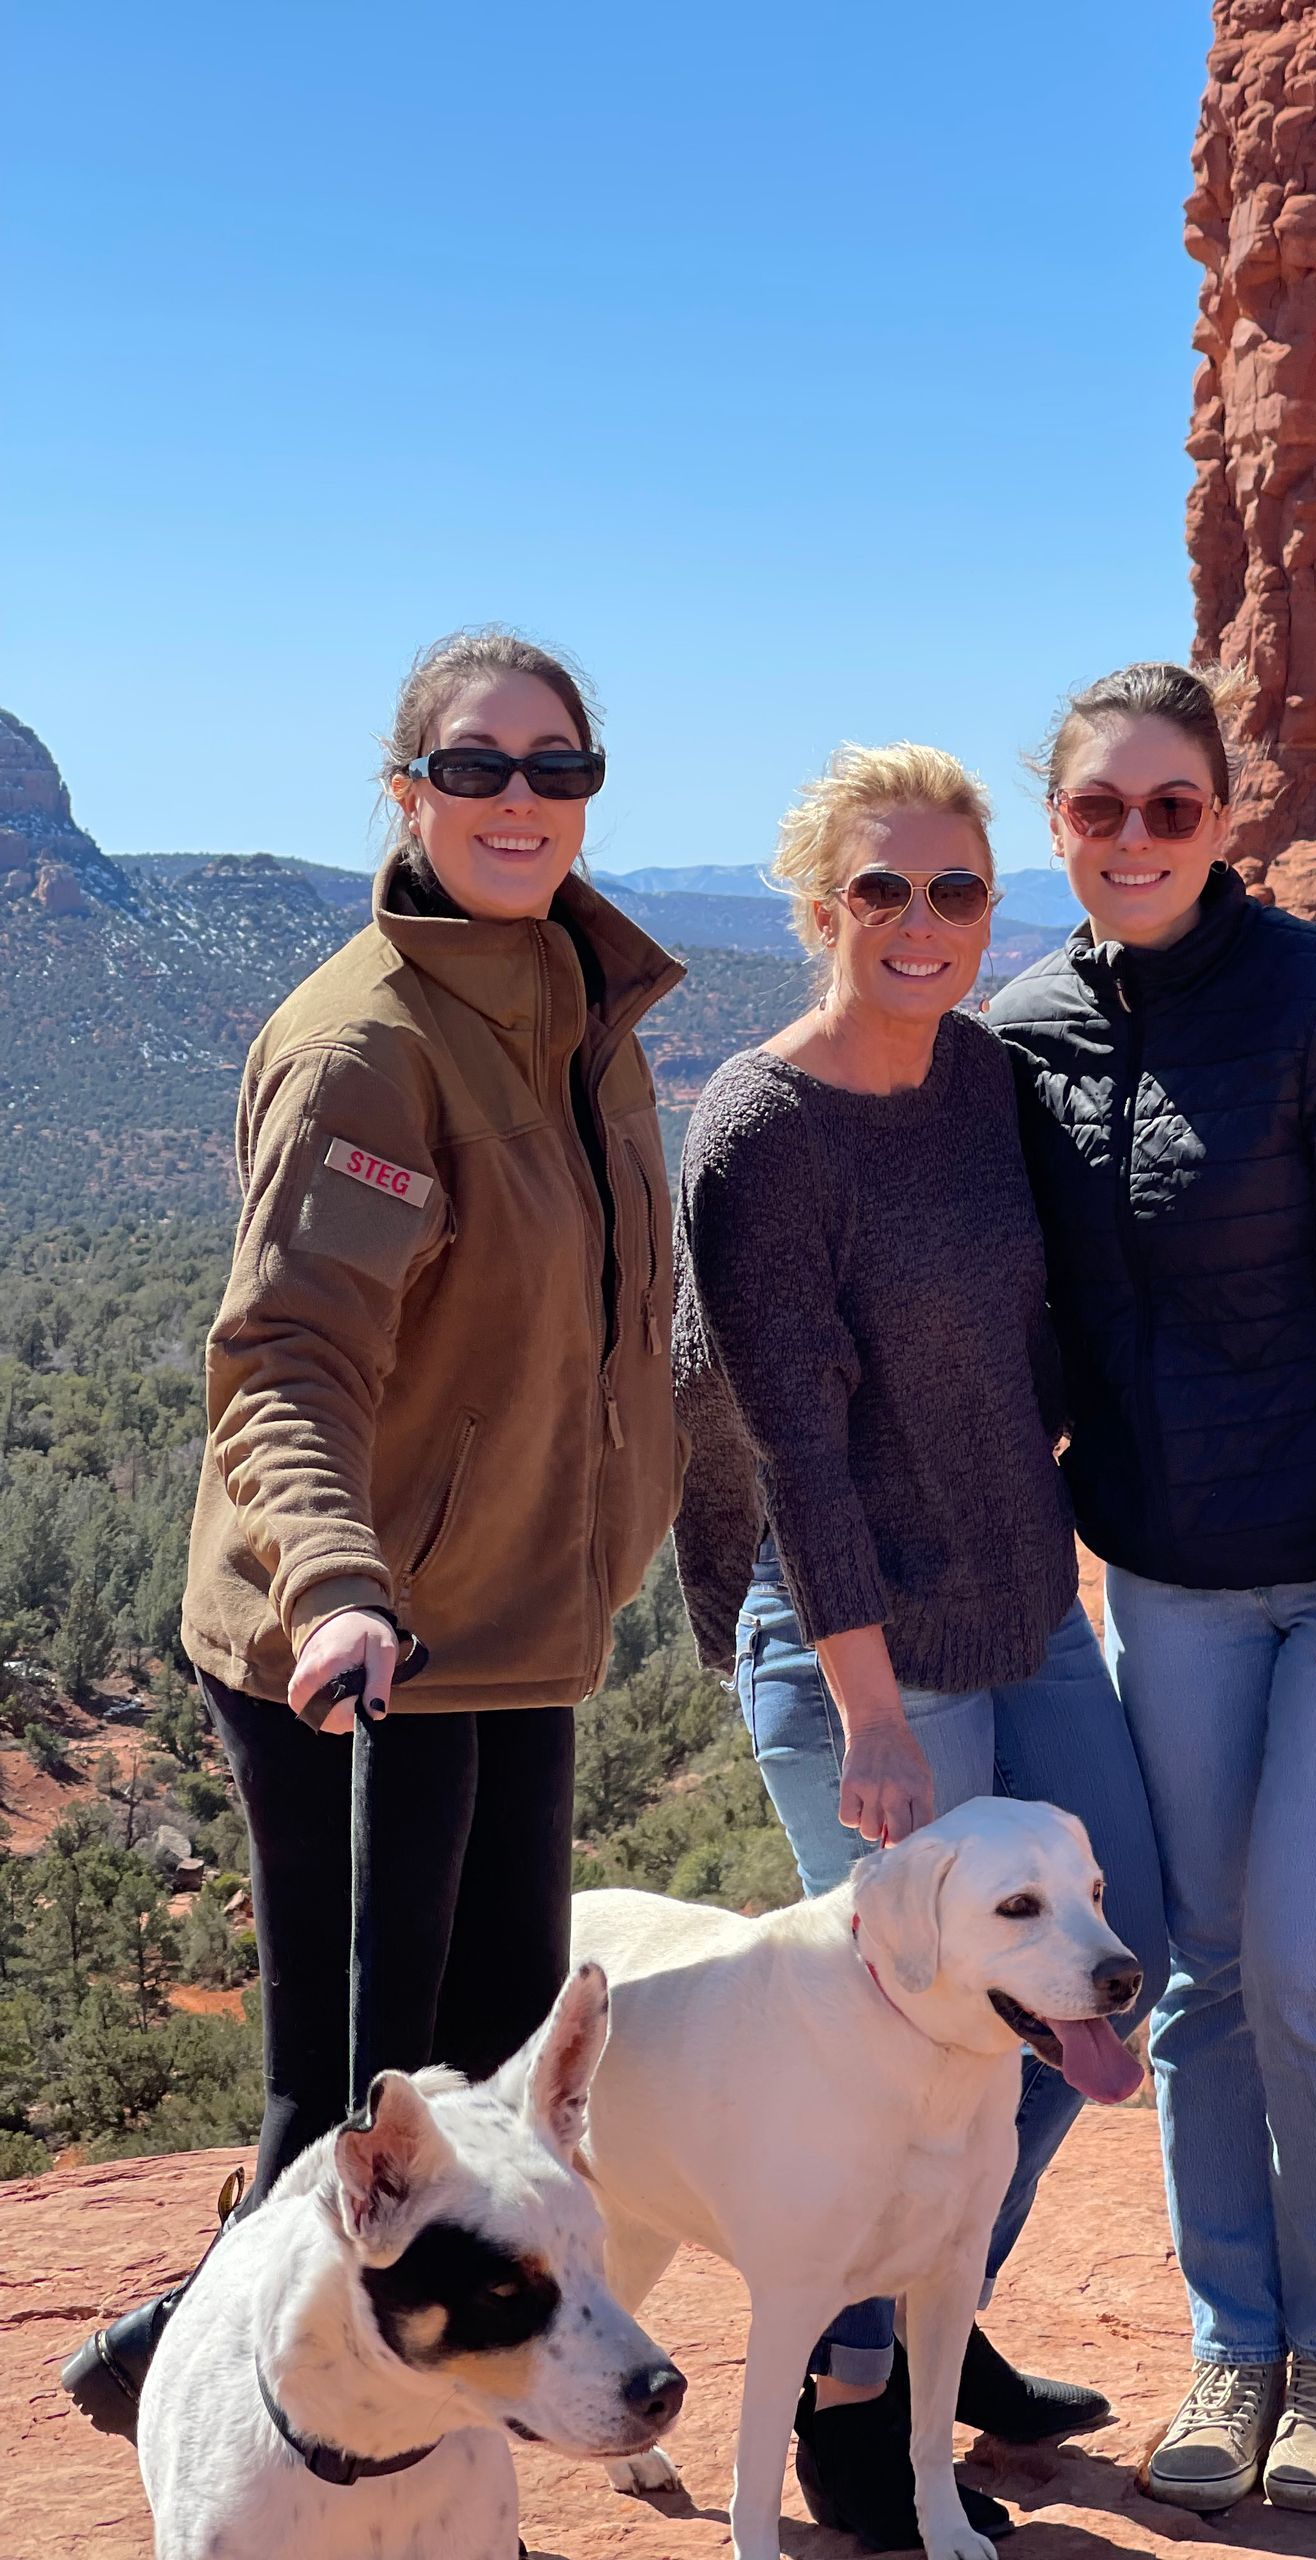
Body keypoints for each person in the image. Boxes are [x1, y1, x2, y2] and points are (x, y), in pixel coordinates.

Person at [62, 627, 686, 2438]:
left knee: (481, 2076)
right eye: (475, 767)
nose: (518, 799)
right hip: (364, 1645)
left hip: (517, 1626)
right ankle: (225, 2429)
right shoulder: (367, 1045)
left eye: (556, 767)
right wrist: (340, 1586)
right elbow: (287, 1358)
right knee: (359, 2111)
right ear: (407, 792)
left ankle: (355, 2426)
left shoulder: (574, 1011)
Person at [988, 662, 1316, 2517]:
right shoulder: (1024, 1032)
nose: (1133, 838)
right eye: (1098, 808)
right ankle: (1236, 2342)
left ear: (1228, 818)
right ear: (1057, 824)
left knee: (1302, 1959)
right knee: (1198, 1975)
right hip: (1176, 1582)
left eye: (1171, 807)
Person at [674, 741, 1170, 2553]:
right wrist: (870, 1714)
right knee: (895, 2030)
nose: (924, 921)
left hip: (1027, 1607)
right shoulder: (760, 1127)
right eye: (883, 888)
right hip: (861, 1638)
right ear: (823, 908)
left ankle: (947, 2295)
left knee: (1117, 1948)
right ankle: (856, 2399)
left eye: (957, 888)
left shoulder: (980, 1080)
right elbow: (793, 1446)